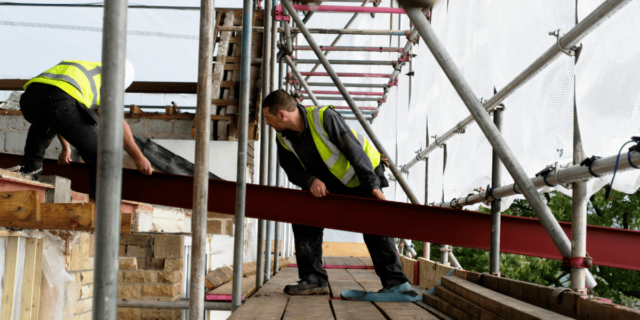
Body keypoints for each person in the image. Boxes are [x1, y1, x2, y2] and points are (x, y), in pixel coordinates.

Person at [262, 89, 417, 298]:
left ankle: (396, 284)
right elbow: (291, 170)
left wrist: (374, 187)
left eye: (268, 118)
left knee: (373, 224)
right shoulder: (283, 138)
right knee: (304, 217)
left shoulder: (324, 118)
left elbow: (354, 151)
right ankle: (314, 280)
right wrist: (311, 181)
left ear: (282, 114)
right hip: (333, 182)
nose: (267, 123)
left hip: (364, 172)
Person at [19, 60, 153, 197]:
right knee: (101, 156)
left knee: (39, 137)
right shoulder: (110, 82)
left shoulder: (82, 68)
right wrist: (138, 158)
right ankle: (101, 210)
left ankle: (25, 185)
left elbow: (54, 113)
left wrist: (65, 147)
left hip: (29, 101)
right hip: (59, 101)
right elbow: (118, 123)